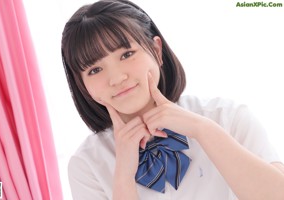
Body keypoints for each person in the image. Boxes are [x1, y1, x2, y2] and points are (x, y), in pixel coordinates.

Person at [61, 0, 284, 199]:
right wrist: (123, 176)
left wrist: (203, 130)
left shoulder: (226, 116)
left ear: (156, 50)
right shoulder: (86, 165)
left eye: (127, 54)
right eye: (95, 69)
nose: (117, 78)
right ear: (82, 84)